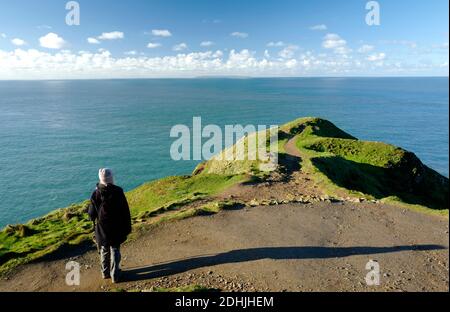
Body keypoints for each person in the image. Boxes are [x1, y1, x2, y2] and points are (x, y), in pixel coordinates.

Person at [88, 168, 132, 283]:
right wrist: (127, 227)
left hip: (102, 228)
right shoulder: (118, 191)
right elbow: (125, 211)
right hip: (116, 227)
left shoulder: (96, 193)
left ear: (100, 179)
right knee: (115, 249)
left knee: (104, 249)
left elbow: (91, 214)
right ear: (111, 178)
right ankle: (115, 275)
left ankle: (105, 272)